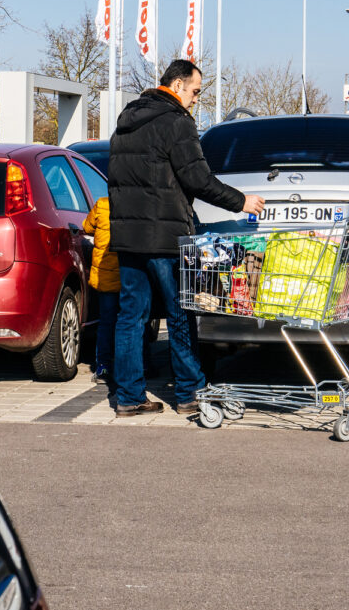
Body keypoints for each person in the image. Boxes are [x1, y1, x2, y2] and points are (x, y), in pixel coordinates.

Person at [108, 59, 264, 416]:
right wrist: (242, 201)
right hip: (164, 237)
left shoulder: (126, 123)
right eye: (195, 91)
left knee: (131, 316)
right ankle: (191, 393)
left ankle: (129, 398)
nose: (195, 99)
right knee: (180, 313)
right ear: (177, 85)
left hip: (128, 236)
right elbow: (198, 179)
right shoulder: (176, 123)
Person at [83, 195, 119, 386]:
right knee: (137, 322)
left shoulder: (102, 204)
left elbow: (87, 227)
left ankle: (103, 367)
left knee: (106, 322)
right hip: (130, 273)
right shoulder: (135, 201)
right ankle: (144, 364)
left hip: (105, 274)